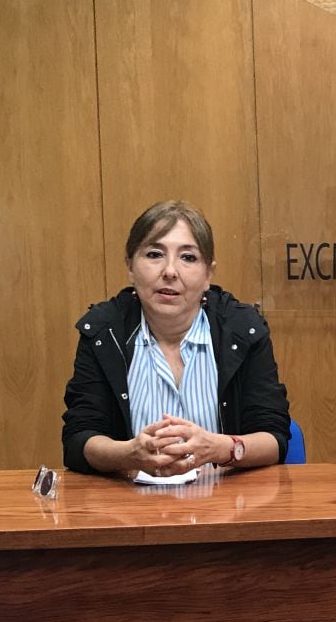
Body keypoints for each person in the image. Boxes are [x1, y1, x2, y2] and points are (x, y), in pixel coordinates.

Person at [62, 201, 290, 475]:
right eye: (155, 254)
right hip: (130, 510)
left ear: (208, 274)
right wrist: (128, 455)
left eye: (188, 257)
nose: (170, 271)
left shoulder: (243, 330)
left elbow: (275, 439)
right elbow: (78, 440)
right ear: (130, 267)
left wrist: (219, 448)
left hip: (226, 508)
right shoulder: (104, 332)